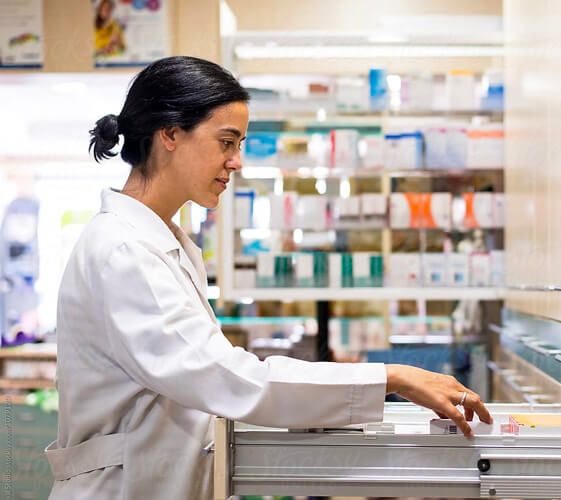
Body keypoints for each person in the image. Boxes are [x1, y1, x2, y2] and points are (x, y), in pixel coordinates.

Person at [45, 56, 492, 499]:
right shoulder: (124, 251)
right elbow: (227, 379)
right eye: (226, 142)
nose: (236, 161)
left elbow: (208, 382)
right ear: (170, 134)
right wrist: (391, 377)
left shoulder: (163, 242)